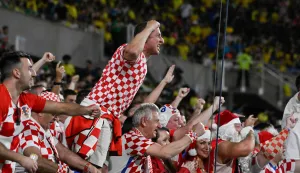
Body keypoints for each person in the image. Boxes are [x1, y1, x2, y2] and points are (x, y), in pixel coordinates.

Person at [65, 20, 165, 170]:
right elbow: (132, 51)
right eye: (158, 36)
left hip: (106, 117)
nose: (162, 40)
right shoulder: (128, 50)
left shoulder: (142, 62)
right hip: (95, 112)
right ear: (145, 36)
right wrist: (150, 26)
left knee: (97, 168)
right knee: (82, 165)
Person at [0, 51, 100, 172]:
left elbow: (60, 107)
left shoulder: (25, 100)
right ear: (16, 73)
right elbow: (36, 159)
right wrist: (21, 158)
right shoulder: (1, 98)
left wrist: (86, 110)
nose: (34, 73)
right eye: (30, 69)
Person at [16, 91, 99, 173]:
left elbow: (63, 153)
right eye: (54, 114)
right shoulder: (29, 128)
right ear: (41, 112)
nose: (57, 119)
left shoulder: (43, 130)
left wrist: (87, 166)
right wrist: (66, 171)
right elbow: (36, 160)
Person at [108, 103, 205, 173]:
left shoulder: (138, 139)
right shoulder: (132, 138)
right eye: (156, 121)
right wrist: (193, 134)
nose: (159, 125)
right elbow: (165, 152)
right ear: (144, 121)